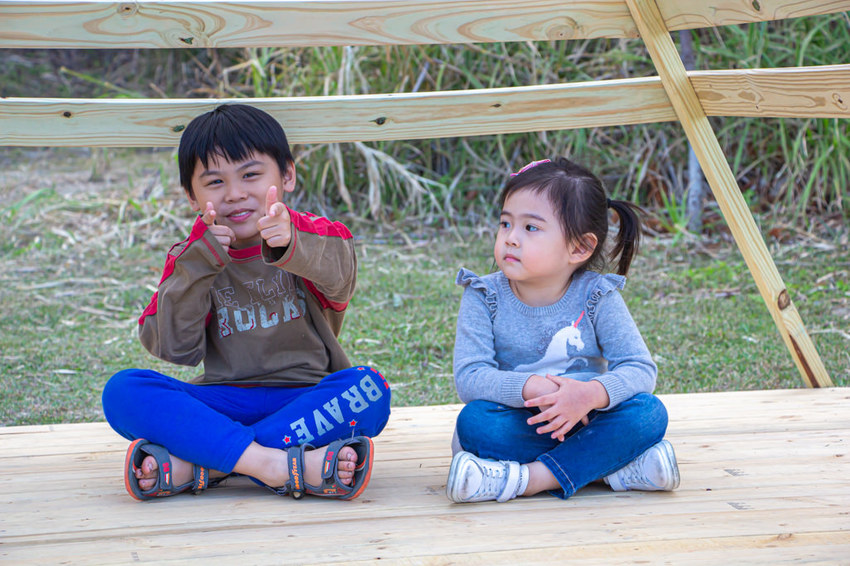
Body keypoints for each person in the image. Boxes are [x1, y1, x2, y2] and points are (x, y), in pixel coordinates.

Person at [102, 104, 391, 501]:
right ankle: (281, 465)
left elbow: (341, 281)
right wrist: (198, 265)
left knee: (370, 389)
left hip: (307, 398)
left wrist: (292, 241)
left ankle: (208, 464)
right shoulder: (191, 257)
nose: (235, 194)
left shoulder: (316, 236)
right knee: (123, 391)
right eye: (214, 182)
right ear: (191, 195)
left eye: (251, 175)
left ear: (286, 175)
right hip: (223, 400)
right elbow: (174, 349)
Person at [446, 157, 679, 503]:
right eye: (505, 223)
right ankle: (612, 469)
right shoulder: (484, 295)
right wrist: (532, 387)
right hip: (523, 423)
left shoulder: (597, 296)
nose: (511, 238)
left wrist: (590, 395)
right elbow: (470, 377)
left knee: (648, 414)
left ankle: (527, 479)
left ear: (579, 247)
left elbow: (640, 368)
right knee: (476, 423)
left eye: (531, 228)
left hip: (589, 419)